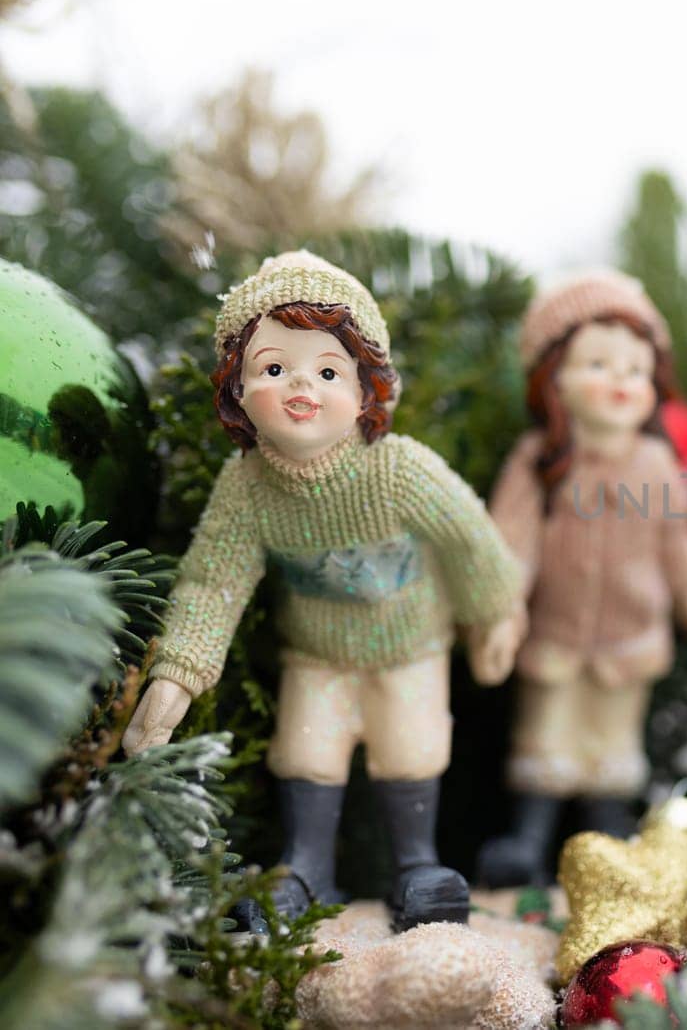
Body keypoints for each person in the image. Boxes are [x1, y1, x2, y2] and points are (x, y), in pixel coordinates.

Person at [121, 250, 523, 929]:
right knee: (307, 745)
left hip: (409, 645)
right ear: (236, 390)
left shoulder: (398, 470)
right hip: (318, 652)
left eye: (329, 370)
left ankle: (417, 862)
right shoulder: (246, 488)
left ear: (367, 391)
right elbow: (212, 582)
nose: (302, 387)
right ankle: (307, 863)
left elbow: (470, 536)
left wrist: (496, 612)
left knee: (411, 742)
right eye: (275, 368)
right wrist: (178, 673)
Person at [477, 270, 687, 887]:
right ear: (552, 377)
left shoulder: (658, 463)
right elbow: (511, 541)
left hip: (631, 635)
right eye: (598, 364)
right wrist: (503, 605)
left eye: (634, 371)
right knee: (545, 735)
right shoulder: (540, 460)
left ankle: (608, 842)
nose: (619, 382)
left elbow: (675, 539)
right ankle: (530, 838)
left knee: (612, 742)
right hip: (553, 633)